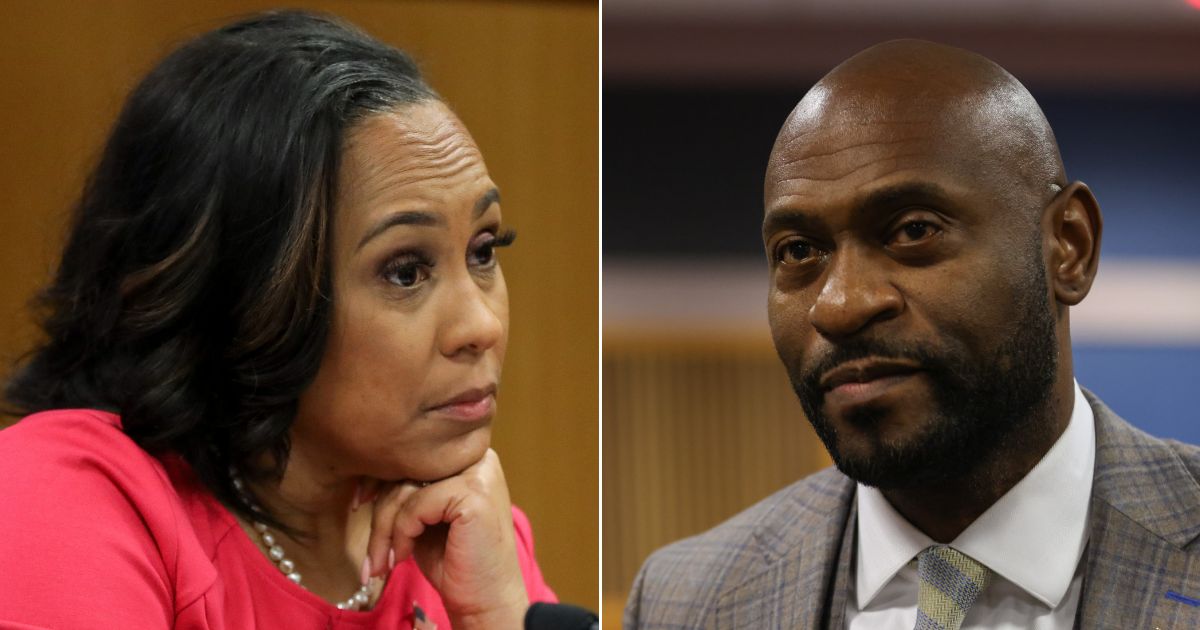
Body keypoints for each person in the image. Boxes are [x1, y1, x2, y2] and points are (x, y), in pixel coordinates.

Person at [0, 11, 557, 629]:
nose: (482, 326)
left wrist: (498, 615)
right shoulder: (68, 499)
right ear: (243, 294)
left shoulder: (470, 528)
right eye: (405, 271)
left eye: (483, 251)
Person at [624, 39, 1200, 629]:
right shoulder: (685, 601)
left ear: (1069, 247)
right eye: (798, 251)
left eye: (913, 230)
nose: (841, 305)